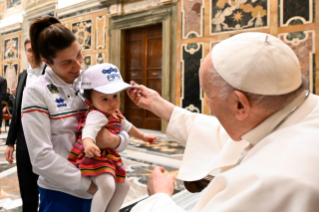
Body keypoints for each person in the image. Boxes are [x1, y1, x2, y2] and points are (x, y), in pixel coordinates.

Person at [127, 32, 319, 211]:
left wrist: (159, 197)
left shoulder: (273, 180)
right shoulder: (297, 113)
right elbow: (226, 132)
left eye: (208, 94)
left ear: (239, 104)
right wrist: (157, 104)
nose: (207, 101)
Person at [21, 16, 130, 212]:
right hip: (62, 194)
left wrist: (116, 141)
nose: (78, 66)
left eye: (79, 55)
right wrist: (89, 186)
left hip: (99, 182)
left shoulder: (88, 80)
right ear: (48, 62)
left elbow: (117, 121)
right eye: (66, 62)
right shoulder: (36, 92)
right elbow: (40, 157)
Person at [68, 63, 157, 212]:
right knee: (107, 186)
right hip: (94, 157)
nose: (112, 102)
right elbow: (88, 130)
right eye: (104, 99)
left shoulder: (115, 113)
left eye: (115, 96)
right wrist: (89, 143)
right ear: (90, 102)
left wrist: (143, 136)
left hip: (108, 157)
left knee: (124, 185)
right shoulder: (96, 115)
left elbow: (127, 126)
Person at [5, 38, 47, 212]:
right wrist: (10, 143)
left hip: (45, 143)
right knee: (27, 191)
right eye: (29, 50)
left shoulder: (51, 74)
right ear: (25, 53)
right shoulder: (23, 75)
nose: (32, 54)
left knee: (46, 189)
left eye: (35, 50)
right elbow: (16, 113)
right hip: (23, 143)